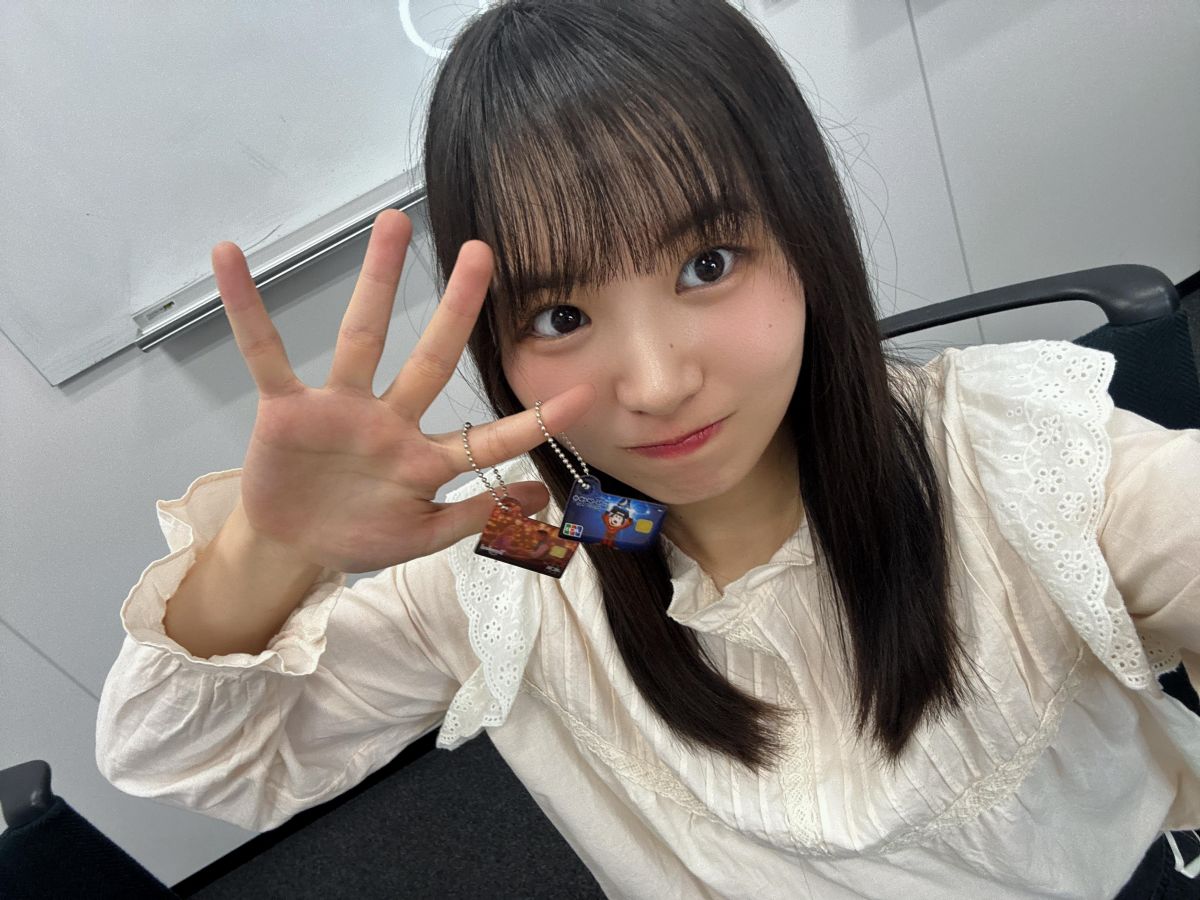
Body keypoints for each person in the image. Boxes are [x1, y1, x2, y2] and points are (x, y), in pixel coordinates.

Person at [95, 1, 1200, 896]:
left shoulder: (1015, 465)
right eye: (561, 316)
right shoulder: (543, 538)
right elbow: (180, 754)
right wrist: (272, 547)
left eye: (707, 265)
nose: (658, 384)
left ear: (804, 233)